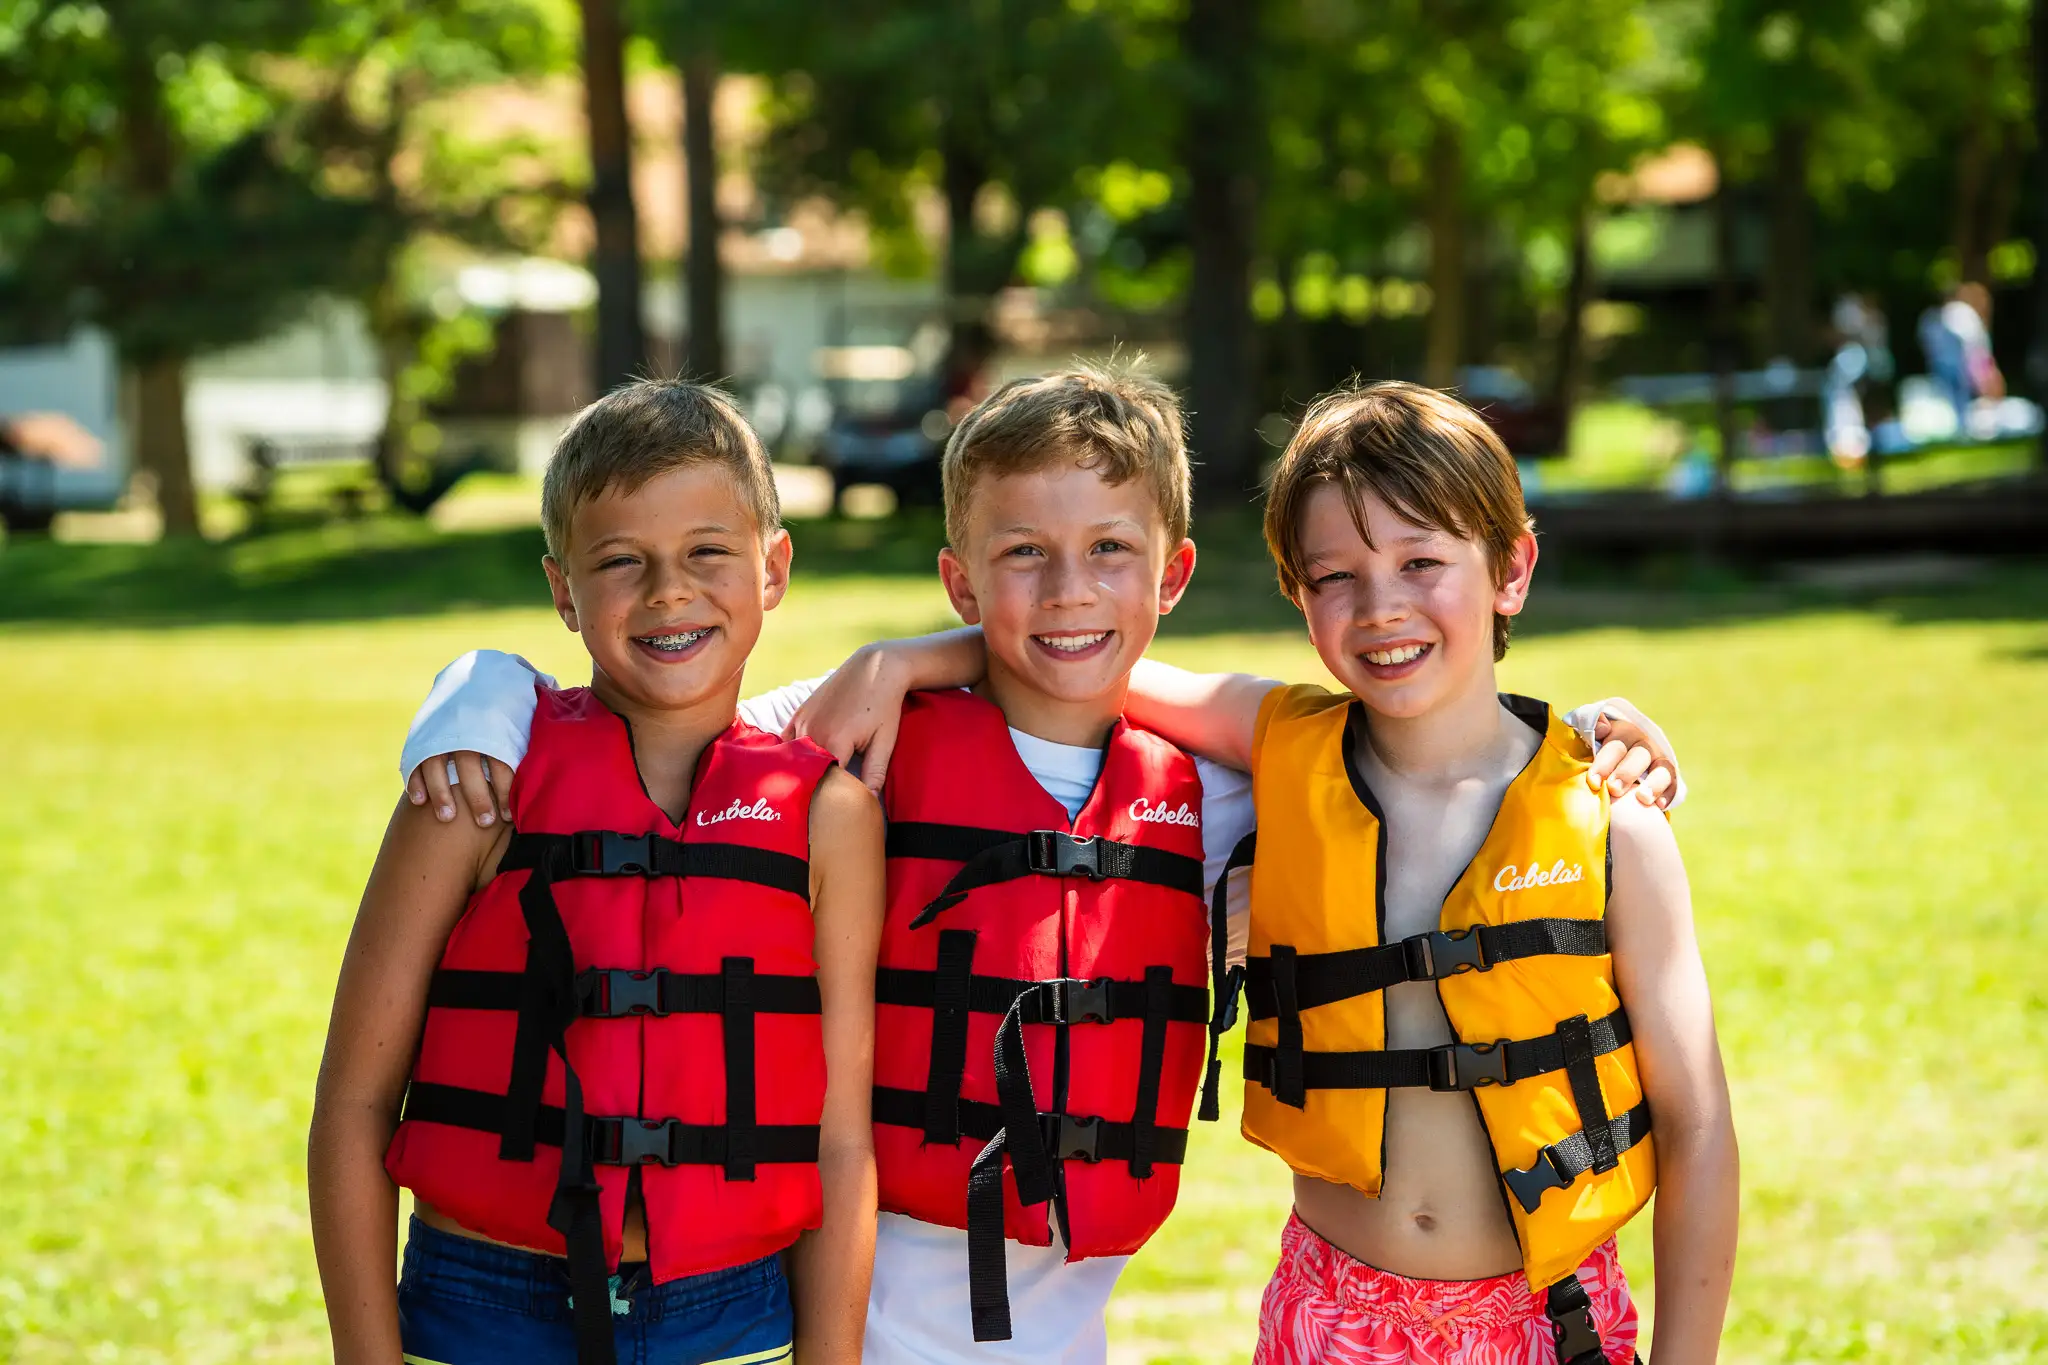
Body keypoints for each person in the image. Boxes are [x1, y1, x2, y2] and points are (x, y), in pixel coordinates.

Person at [402, 367, 1685, 1365]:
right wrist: (473, 697)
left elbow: (1418, 737)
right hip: (834, 1310)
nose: (1068, 590)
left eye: (1108, 553)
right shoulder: (852, 738)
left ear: (1172, 573)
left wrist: (1589, 738)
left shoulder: (1233, 796)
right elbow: (643, 704)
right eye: (1022, 555)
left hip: (1075, 1321)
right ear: (962, 577)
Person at [307, 380, 884, 1365]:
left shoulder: (829, 816)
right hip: (483, 1300)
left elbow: (840, 1141)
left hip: (729, 1309)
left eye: (708, 552)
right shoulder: (472, 795)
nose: (668, 591)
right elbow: (354, 1109)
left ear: (773, 567)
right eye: (622, 562)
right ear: (563, 591)